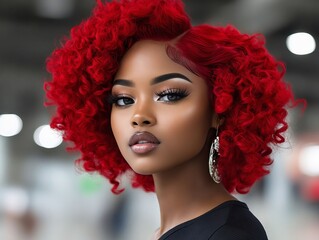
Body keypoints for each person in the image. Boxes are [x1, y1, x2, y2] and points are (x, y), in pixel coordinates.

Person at [45, 0, 297, 239]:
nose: (139, 116)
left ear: (219, 109)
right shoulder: (175, 230)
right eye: (123, 100)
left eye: (169, 95)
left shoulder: (228, 235)